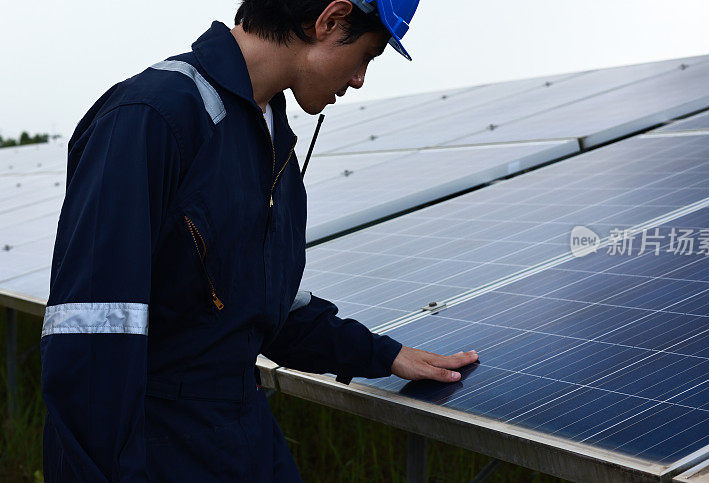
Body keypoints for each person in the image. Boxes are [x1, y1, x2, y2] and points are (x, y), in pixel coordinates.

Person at [40, 0, 479, 480]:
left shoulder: (274, 143)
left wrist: (384, 355)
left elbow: (258, 306)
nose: (358, 80)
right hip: (152, 447)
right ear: (330, 20)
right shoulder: (151, 116)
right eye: (368, 56)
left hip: (240, 437)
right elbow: (90, 335)